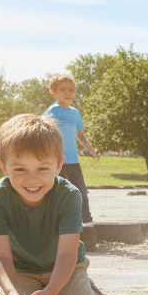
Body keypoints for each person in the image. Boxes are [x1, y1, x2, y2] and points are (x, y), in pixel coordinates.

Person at [0, 114, 111, 295]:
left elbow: (67, 253)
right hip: (23, 270)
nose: (32, 180)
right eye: (20, 169)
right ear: (3, 166)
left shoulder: (69, 195)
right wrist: (12, 292)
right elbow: (0, 255)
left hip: (64, 267)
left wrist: (50, 293)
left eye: (43, 169)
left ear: (59, 164)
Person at [43, 73, 99, 224]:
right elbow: (44, 134)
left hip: (73, 160)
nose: (68, 93)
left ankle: (86, 221)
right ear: (54, 92)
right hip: (56, 161)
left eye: (71, 90)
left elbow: (80, 135)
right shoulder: (51, 112)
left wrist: (91, 151)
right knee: (56, 192)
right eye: (63, 90)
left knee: (80, 191)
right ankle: (54, 222)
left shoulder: (75, 113)